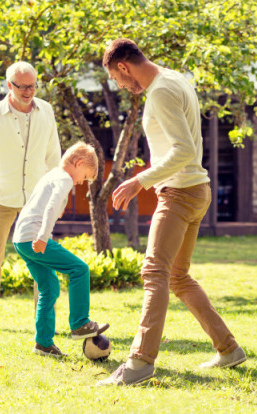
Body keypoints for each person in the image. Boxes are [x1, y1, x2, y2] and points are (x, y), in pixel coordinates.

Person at [98, 39, 246, 386]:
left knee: (154, 272)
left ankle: (139, 363)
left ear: (123, 66)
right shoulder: (175, 78)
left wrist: (140, 181)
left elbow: (184, 149)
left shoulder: (161, 91)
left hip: (180, 192)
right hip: (196, 190)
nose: (120, 86)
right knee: (177, 277)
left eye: (116, 78)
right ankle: (229, 349)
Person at [0, 62, 62, 332]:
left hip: (37, 198)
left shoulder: (46, 111)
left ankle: (44, 319)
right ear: (9, 86)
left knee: (42, 258)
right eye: (22, 87)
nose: (29, 91)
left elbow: (54, 157)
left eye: (33, 85)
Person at [13, 142, 109, 357]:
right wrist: (43, 236)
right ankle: (80, 323)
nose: (81, 182)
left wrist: (53, 217)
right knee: (79, 269)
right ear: (79, 163)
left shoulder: (52, 175)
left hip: (21, 239)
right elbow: (50, 205)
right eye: (84, 176)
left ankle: (43, 344)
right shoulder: (65, 178)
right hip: (34, 238)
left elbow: (39, 204)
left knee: (49, 288)